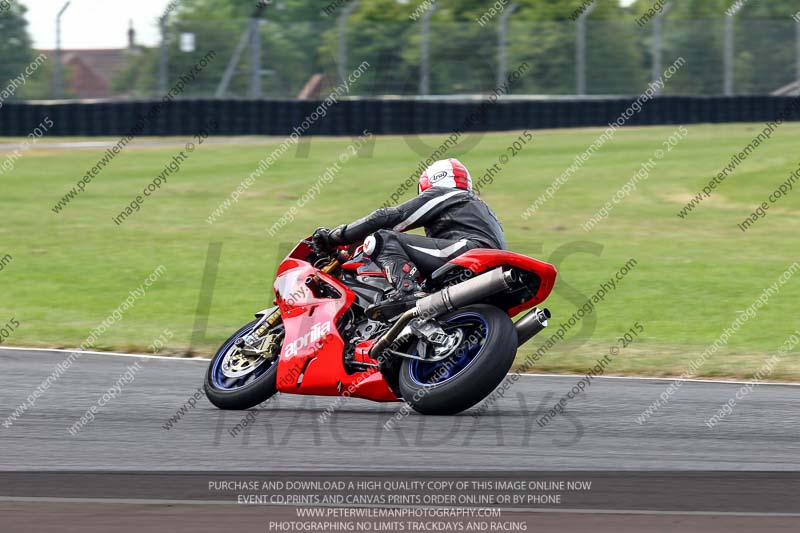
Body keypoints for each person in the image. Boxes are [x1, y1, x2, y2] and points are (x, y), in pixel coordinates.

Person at [313, 158, 506, 310]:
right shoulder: (480, 209)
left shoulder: (446, 194)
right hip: (493, 271)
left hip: (470, 254)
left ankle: (407, 292)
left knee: (382, 238)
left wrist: (337, 236)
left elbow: (390, 217)